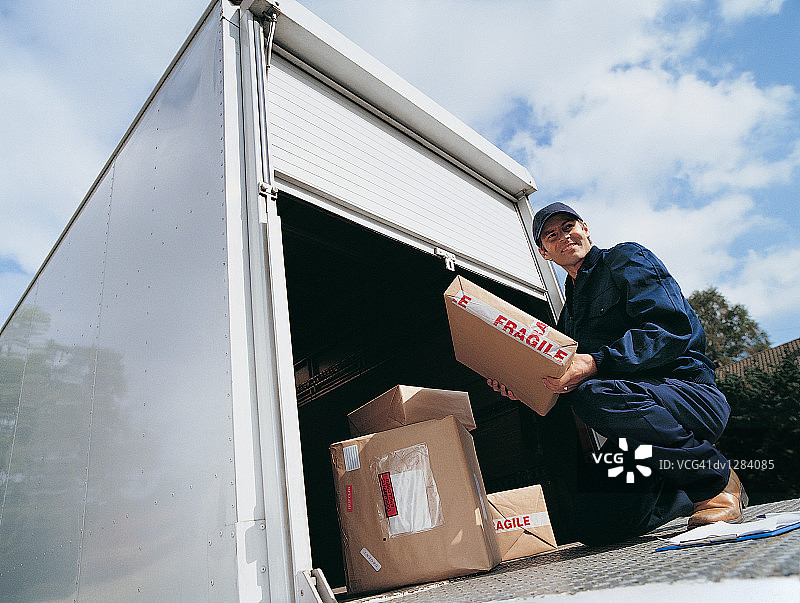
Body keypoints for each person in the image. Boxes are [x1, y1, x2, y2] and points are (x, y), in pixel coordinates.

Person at [489, 202, 747, 545]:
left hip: (687, 395)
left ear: (586, 228)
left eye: (569, 227)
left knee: (593, 392)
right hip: (638, 428)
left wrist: (595, 361)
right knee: (593, 525)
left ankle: (713, 481)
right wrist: (522, 384)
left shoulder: (625, 259)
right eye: (552, 235)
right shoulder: (569, 316)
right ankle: (677, 484)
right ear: (544, 252)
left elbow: (672, 328)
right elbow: (562, 377)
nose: (564, 237)